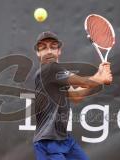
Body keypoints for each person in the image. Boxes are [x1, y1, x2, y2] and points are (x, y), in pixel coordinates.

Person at [32, 31, 112, 160]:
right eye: (43, 48)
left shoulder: (58, 73)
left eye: (53, 47)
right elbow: (84, 82)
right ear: (38, 53)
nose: (48, 51)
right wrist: (101, 79)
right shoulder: (49, 69)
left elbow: (77, 96)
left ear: (59, 51)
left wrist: (99, 75)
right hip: (47, 142)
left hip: (64, 140)